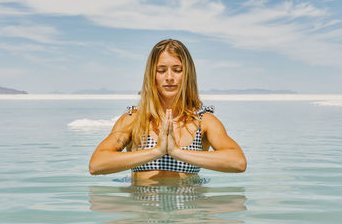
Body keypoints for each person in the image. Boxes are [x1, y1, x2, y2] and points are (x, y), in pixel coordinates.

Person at [89, 39, 246, 181]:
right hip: (143, 210)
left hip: (188, 210)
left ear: (187, 75)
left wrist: (176, 152)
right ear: (152, 74)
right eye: (161, 70)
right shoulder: (133, 119)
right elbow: (96, 165)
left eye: (177, 70)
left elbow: (238, 162)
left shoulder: (203, 121)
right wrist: (156, 152)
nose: (169, 77)